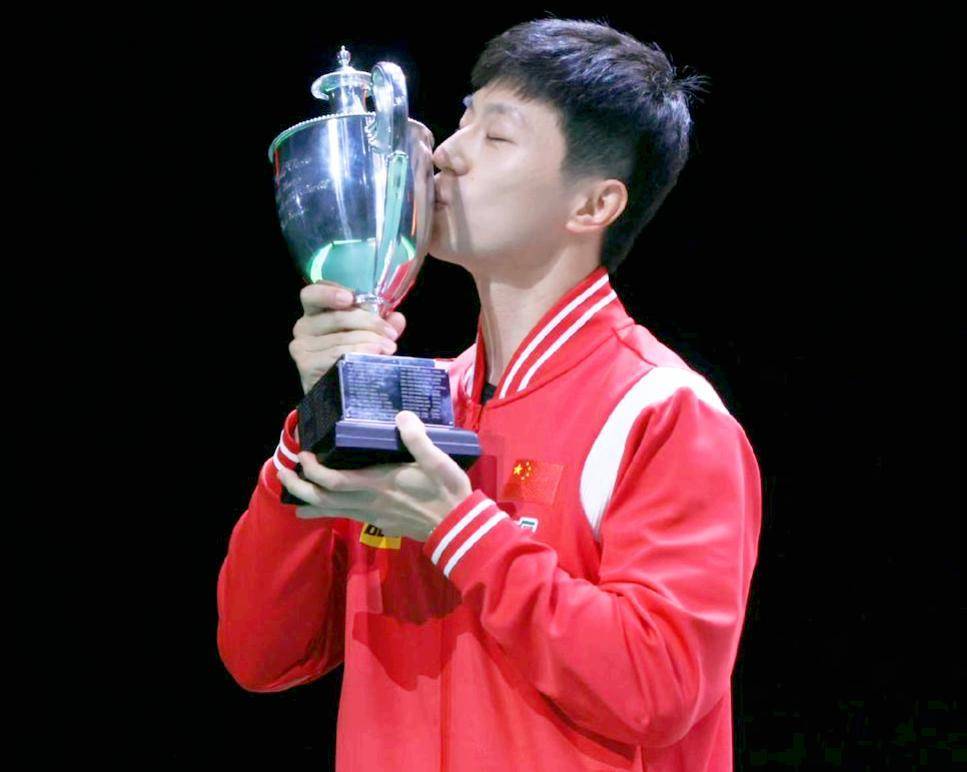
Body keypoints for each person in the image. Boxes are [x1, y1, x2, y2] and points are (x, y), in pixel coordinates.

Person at [217, 17, 762, 771]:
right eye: (464, 119)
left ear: (592, 207)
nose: (446, 153)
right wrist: (320, 416)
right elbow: (260, 653)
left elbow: (658, 688)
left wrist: (457, 528)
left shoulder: (664, 413)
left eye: (496, 136)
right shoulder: (412, 406)